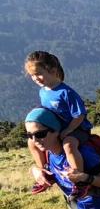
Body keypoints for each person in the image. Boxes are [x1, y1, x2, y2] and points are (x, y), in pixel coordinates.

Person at [25, 51, 89, 195]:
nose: (36, 78)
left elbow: (79, 115)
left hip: (77, 128)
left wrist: (68, 131)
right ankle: (45, 172)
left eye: (39, 74)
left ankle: (80, 181)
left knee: (68, 145)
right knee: (31, 142)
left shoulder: (65, 92)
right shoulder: (43, 91)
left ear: (52, 71)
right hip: (58, 128)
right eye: (32, 76)